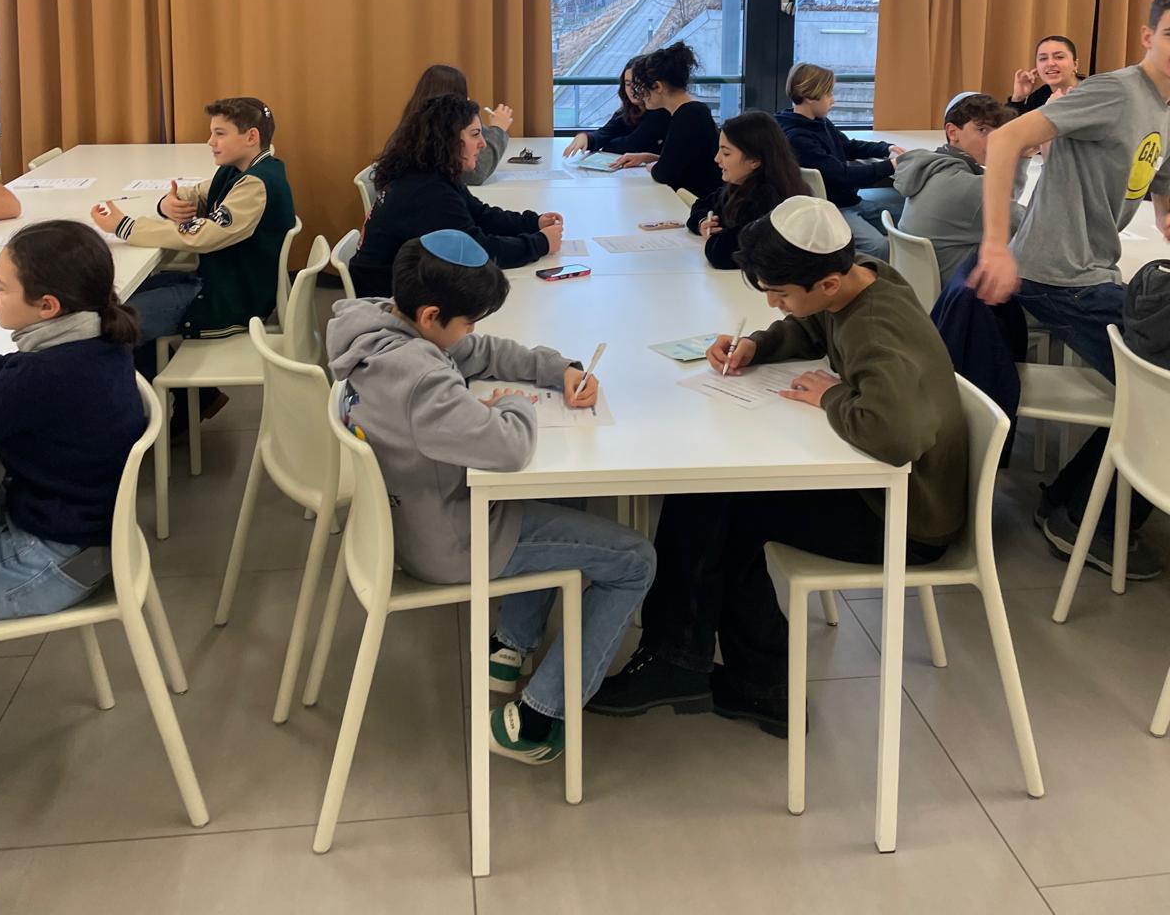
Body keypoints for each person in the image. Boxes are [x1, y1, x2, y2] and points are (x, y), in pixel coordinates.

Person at [588, 197, 967, 731]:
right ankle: (731, 674)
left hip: (906, 518)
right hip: (887, 489)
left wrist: (829, 397)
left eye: (781, 294)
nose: (773, 303)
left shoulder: (879, 326)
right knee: (711, 497)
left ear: (827, 283)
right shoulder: (859, 279)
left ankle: (722, 674)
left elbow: (896, 434)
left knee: (720, 507)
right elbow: (813, 328)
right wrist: (756, 346)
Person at [329, 230, 655, 763]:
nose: (473, 332)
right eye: (468, 321)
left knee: (567, 499)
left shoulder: (379, 327)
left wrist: (560, 370)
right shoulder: (419, 380)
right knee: (635, 561)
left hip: (410, 519)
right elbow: (510, 447)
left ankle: (511, 646)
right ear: (432, 316)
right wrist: (513, 404)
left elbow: (478, 353)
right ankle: (539, 717)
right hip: (450, 542)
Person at [971, 0, 1170, 579]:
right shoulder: (1116, 91)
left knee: (1152, 384)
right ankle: (1089, 521)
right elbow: (1005, 139)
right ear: (1147, 36)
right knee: (1158, 391)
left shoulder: (1162, 107)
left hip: (1093, 272)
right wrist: (995, 244)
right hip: (1058, 277)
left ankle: (1065, 500)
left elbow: (1158, 174)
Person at [0, 222, 145, 619]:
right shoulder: (96, 340)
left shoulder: (45, 375)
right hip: (87, 545)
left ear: (47, 306)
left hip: (49, 562)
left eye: (1, 287)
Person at [92, 98, 295, 424]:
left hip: (229, 296)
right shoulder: (240, 169)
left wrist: (124, 226)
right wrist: (168, 203)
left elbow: (205, 235)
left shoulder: (256, 184)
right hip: (219, 279)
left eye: (220, 134)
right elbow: (200, 193)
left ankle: (146, 418)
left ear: (251, 136)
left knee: (116, 324)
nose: (210, 142)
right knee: (120, 300)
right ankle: (197, 400)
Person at [349, 94, 561, 297]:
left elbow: (481, 215)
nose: (483, 143)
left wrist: (532, 223)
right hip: (386, 300)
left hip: (405, 281)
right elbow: (476, 251)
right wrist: (539, 243)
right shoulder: (427, 191)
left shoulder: (433, 172)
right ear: (448, 139)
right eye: (475, 134)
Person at [775, 62, 903, 258]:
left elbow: (848, 146)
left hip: (851, 202)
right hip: (834, 209)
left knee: (910, 218)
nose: (833, 100)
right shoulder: (798, 138)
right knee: (878, 247)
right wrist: (891, 166)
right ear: (809, 96)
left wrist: (886, 148)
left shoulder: (820, 122)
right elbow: (842, 176)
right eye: (828, 94)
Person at [895, 93, 1025, 285]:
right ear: (952, 132)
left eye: (998, 131)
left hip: (924, 288)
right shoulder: (967, 186)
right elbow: (1030, 225)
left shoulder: (933, 168)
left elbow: (1005, 199)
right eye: (982, 130)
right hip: (961, 293)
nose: (995, 140)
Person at [686, 110, 809, 270]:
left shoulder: (767, 199)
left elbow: (722, 254)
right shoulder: (739, 186)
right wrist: (703, 222)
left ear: (754, 160)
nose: (717, 159)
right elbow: (700, 205)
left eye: (726, 153)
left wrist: (714, 238)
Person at [610, 42, 722, 199]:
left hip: (699, 200)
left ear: (657, 87)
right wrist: (648, 158)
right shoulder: (691, 111)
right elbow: (683, 162)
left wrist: (653, 166)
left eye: (642, 88)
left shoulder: (688, 115)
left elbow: (664, 173)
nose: (640, 95)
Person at [399, 64, 514, 185]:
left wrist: (469, 115)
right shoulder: (435, 133)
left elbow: (474, 139)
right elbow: (475, 173)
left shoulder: (415, 118)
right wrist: (498, 129)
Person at [562, 59, 671, 159]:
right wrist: (586, 138)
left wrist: (605, 143)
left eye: (638, 84)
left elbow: (632, 145)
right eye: (628, 84)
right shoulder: (629, 109)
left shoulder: (660, 112)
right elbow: (606, 133)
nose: (632, 90)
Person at [1007, 35, 1083, 114]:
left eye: (1059, 57)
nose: (1050, 63)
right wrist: (1018, 98)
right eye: (1043, 58)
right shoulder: (1038, 97)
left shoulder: (1090, 92)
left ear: (1075, 64)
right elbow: (1017, 122)